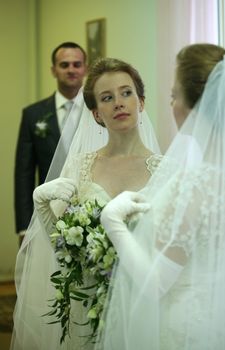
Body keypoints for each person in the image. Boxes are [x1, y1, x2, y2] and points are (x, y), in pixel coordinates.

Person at [10, 57, 161, 350]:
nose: (119, 103)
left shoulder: (166, 170)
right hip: (88, 302)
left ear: (141, 102)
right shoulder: (80, 167)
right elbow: (61, 247)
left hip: (143, 301)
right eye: (107, 97)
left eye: (126, 93)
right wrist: (42, 206)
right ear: (95, 114)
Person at [97, 43, 225, 350]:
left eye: (174, 95)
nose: (171, 104)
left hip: (186, 328)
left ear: (194, 106)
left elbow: (156, 283)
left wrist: (113, 222)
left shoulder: (195, 184)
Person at [14, 41, 87, 245]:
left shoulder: (98, 112)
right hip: (46, 212)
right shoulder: (33, 114)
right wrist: (23, 226)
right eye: (64, 65)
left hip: (90, 209)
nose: (71, 70)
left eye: (76, 64)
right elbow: (24, 173)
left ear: (85, 68)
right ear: (53, 70)